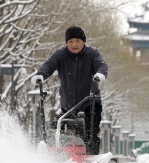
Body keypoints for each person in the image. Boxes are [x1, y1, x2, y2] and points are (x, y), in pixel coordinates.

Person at [31, 26, 108, 155]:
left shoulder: (92, 54)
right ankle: (61, 155)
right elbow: (49, 65)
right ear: (67, 43)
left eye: (77, 41)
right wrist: (40, 75)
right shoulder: (61, 54)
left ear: (83, 41)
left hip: (90, 102)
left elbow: (101, 65)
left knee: (91, 132)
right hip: (69, 104)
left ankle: (91, 156)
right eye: (70, 41)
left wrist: (100, 74)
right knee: (59, 129)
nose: (74, 44)